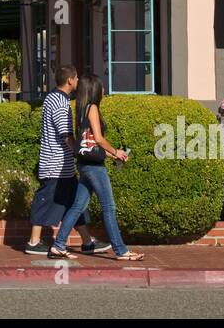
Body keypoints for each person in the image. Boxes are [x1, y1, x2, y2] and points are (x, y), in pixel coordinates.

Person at [50, 75, 145, 262]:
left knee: (77, 206)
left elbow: (90, 143)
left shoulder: (81, 109)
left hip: (85, 165)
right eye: (101, 87)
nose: (103, 90)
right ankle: (121, 250)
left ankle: (58, 245)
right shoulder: (93, 108)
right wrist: (116, 151)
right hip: (94, 168)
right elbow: (99, 139)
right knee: (109, 207)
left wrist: (112, 154)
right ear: (94, 89)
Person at [25, 65, 110, 255]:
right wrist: (79, 152)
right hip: (56, 164)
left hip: (62, 165)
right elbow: (66, 135)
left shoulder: (52, 98)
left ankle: (88, 242)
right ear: (70, 80)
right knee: (45, 199)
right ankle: (33, 242)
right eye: (77, 78)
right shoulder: (60, 103)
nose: (78, 81)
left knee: (75, 202)